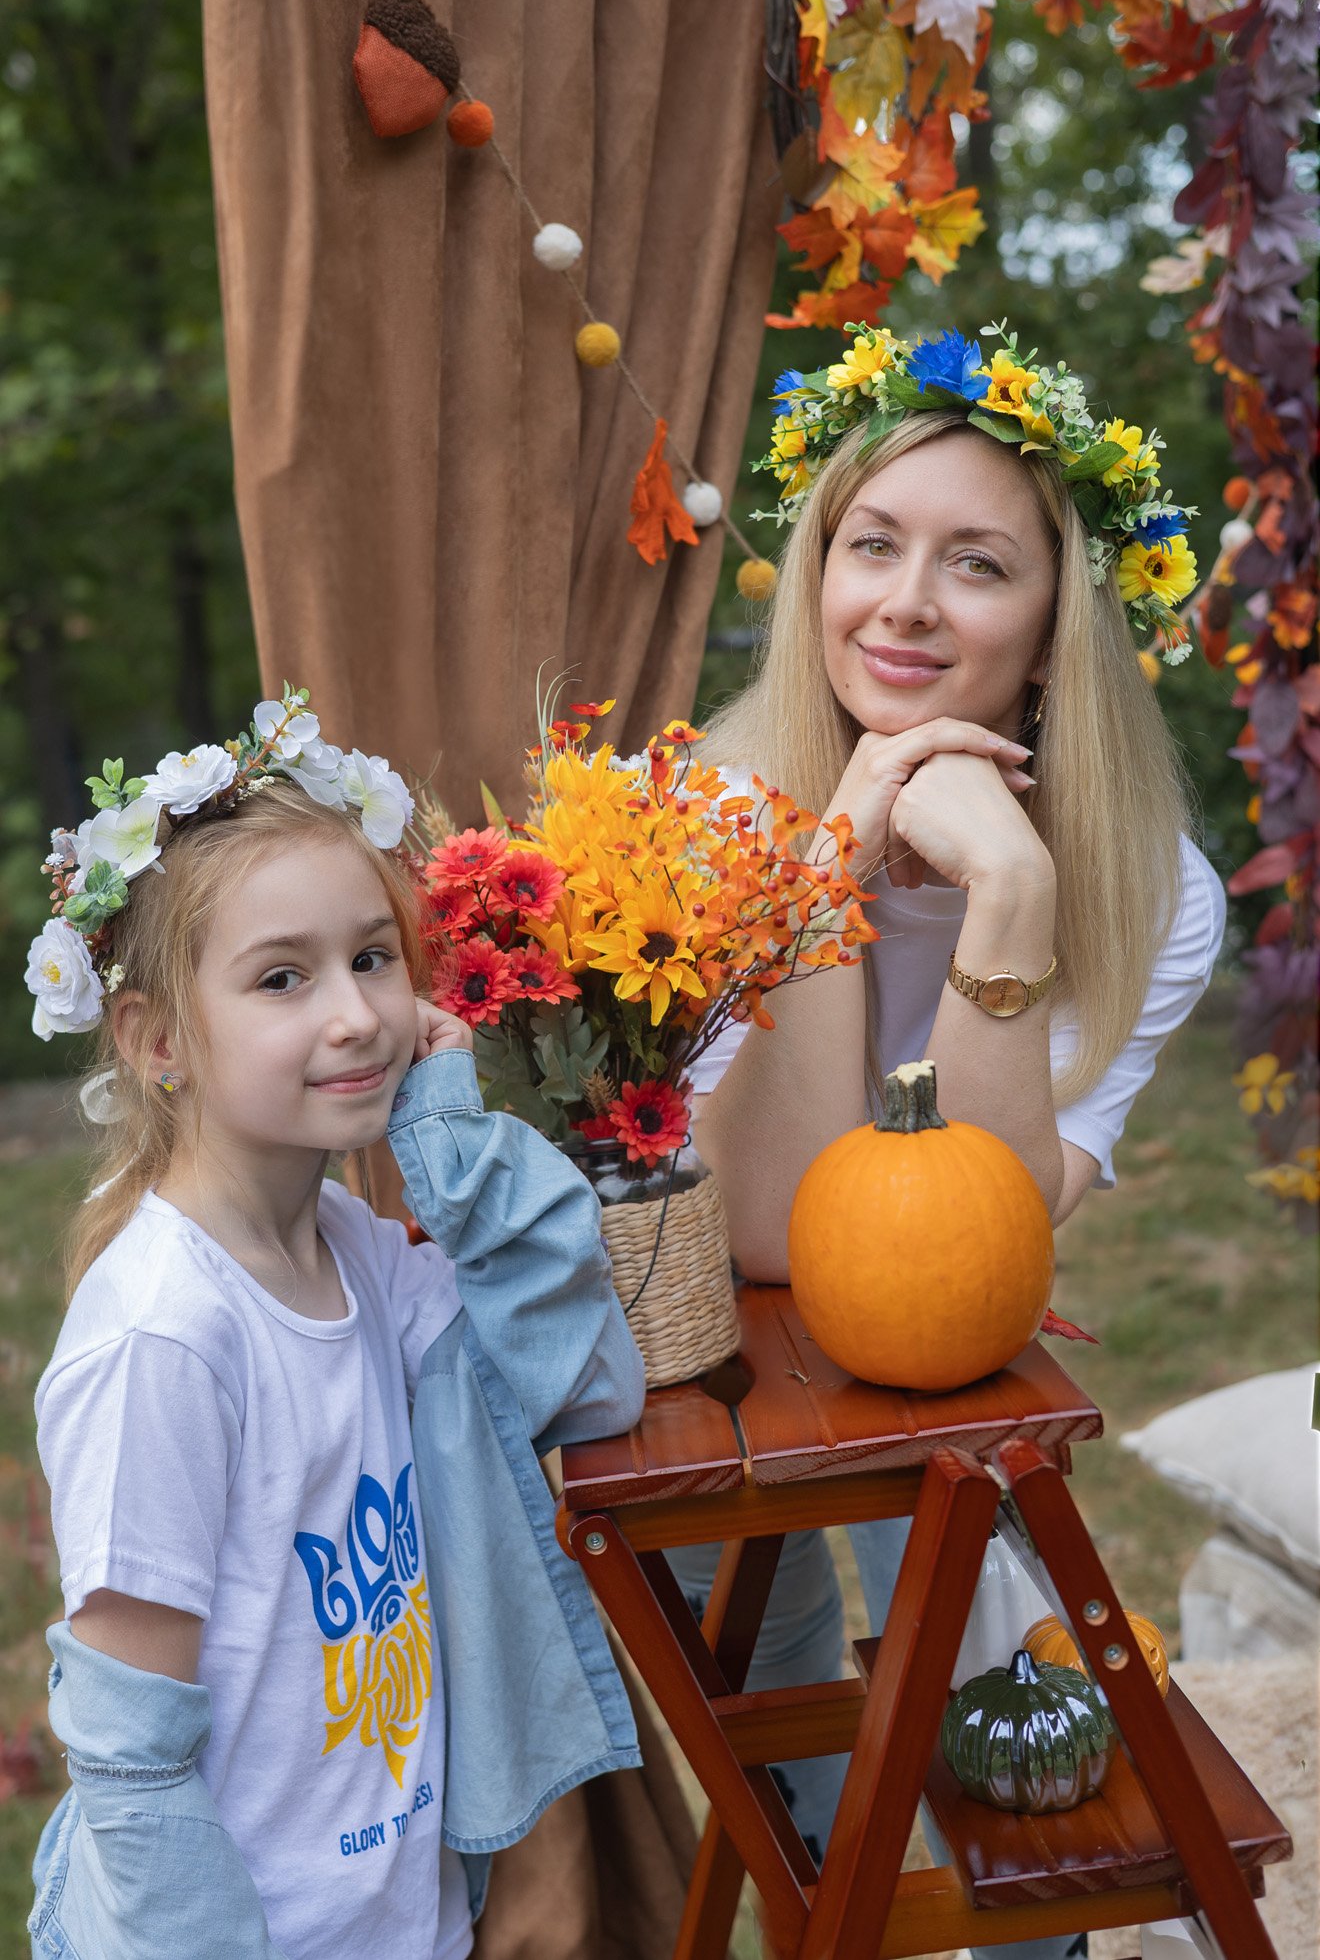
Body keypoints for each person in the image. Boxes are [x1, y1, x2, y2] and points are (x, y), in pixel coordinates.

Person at [682, 324, 1226, 1959]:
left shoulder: (1151, 889)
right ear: (817, 576)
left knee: (971, 1543)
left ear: (1056, 628)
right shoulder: (706, 812)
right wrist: (826, 881)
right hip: (695, 1349)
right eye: (872, 546)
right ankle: (836, 1892)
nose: (907, 600)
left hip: (945, 1374)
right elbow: (769, 1230)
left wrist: (1011, 893)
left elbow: (979, 1269)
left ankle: (1021, 1921)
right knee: (758, 1633)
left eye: (975, 563)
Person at [25, 693, 646, 1960]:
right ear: (156, 1042)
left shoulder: (361, 1260)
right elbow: (132, 1768)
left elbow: (583, 1378)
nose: (358, 1015)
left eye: (372, 958)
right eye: (281, 979)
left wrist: (447, 1133)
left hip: (401, 1920)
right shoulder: (166, 1339)